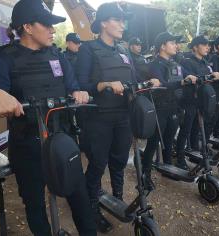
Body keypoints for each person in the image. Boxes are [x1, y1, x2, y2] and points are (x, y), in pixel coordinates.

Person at [0, 1, 96, 235]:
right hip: (27, 146)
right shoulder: (4, 58)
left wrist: (78, 92)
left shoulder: (57, 56)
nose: (53, 30)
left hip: (62, 140)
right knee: (34, 203)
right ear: (28, 27)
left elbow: (73, 85)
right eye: (47, 24)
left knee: (79, 194)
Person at [75, 2, 159, 233]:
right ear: (103, 23)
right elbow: (81, 85)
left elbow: (132, 77)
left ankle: (118, 200)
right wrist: (103, 84)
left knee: (119, 162)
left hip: (123, 116)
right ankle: (92, 209)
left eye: (124, 20)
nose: (123, 25)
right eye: (118, 20)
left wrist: (149, 81)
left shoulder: (123, 50)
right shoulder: (88, 49)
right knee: (98, 164)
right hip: (98, 118)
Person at [141, 32, 196, 187]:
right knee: (153, 143)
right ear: (162, 46)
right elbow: (163, 85)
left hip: (174, 107)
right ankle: (145, 173)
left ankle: (167, 168)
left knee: (169, 139)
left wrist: (196, 77)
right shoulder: (154, 65)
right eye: (172, 43)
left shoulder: (175, 64)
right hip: (159, 109)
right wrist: (183, 83)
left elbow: (187, 76)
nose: (176, 46)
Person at [176, 35, 219, 169]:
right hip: (190, 101)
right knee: (185, 130)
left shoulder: (205, 62)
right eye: (204, 44)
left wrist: (217, 75)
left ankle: (195, 151)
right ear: (195, 47)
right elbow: (189, 78)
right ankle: (180, 158)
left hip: (202, 100)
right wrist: (208, 77)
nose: (208, 47)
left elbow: (209, 75)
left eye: (208, 45)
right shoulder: (186, 62)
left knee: (197, 128)